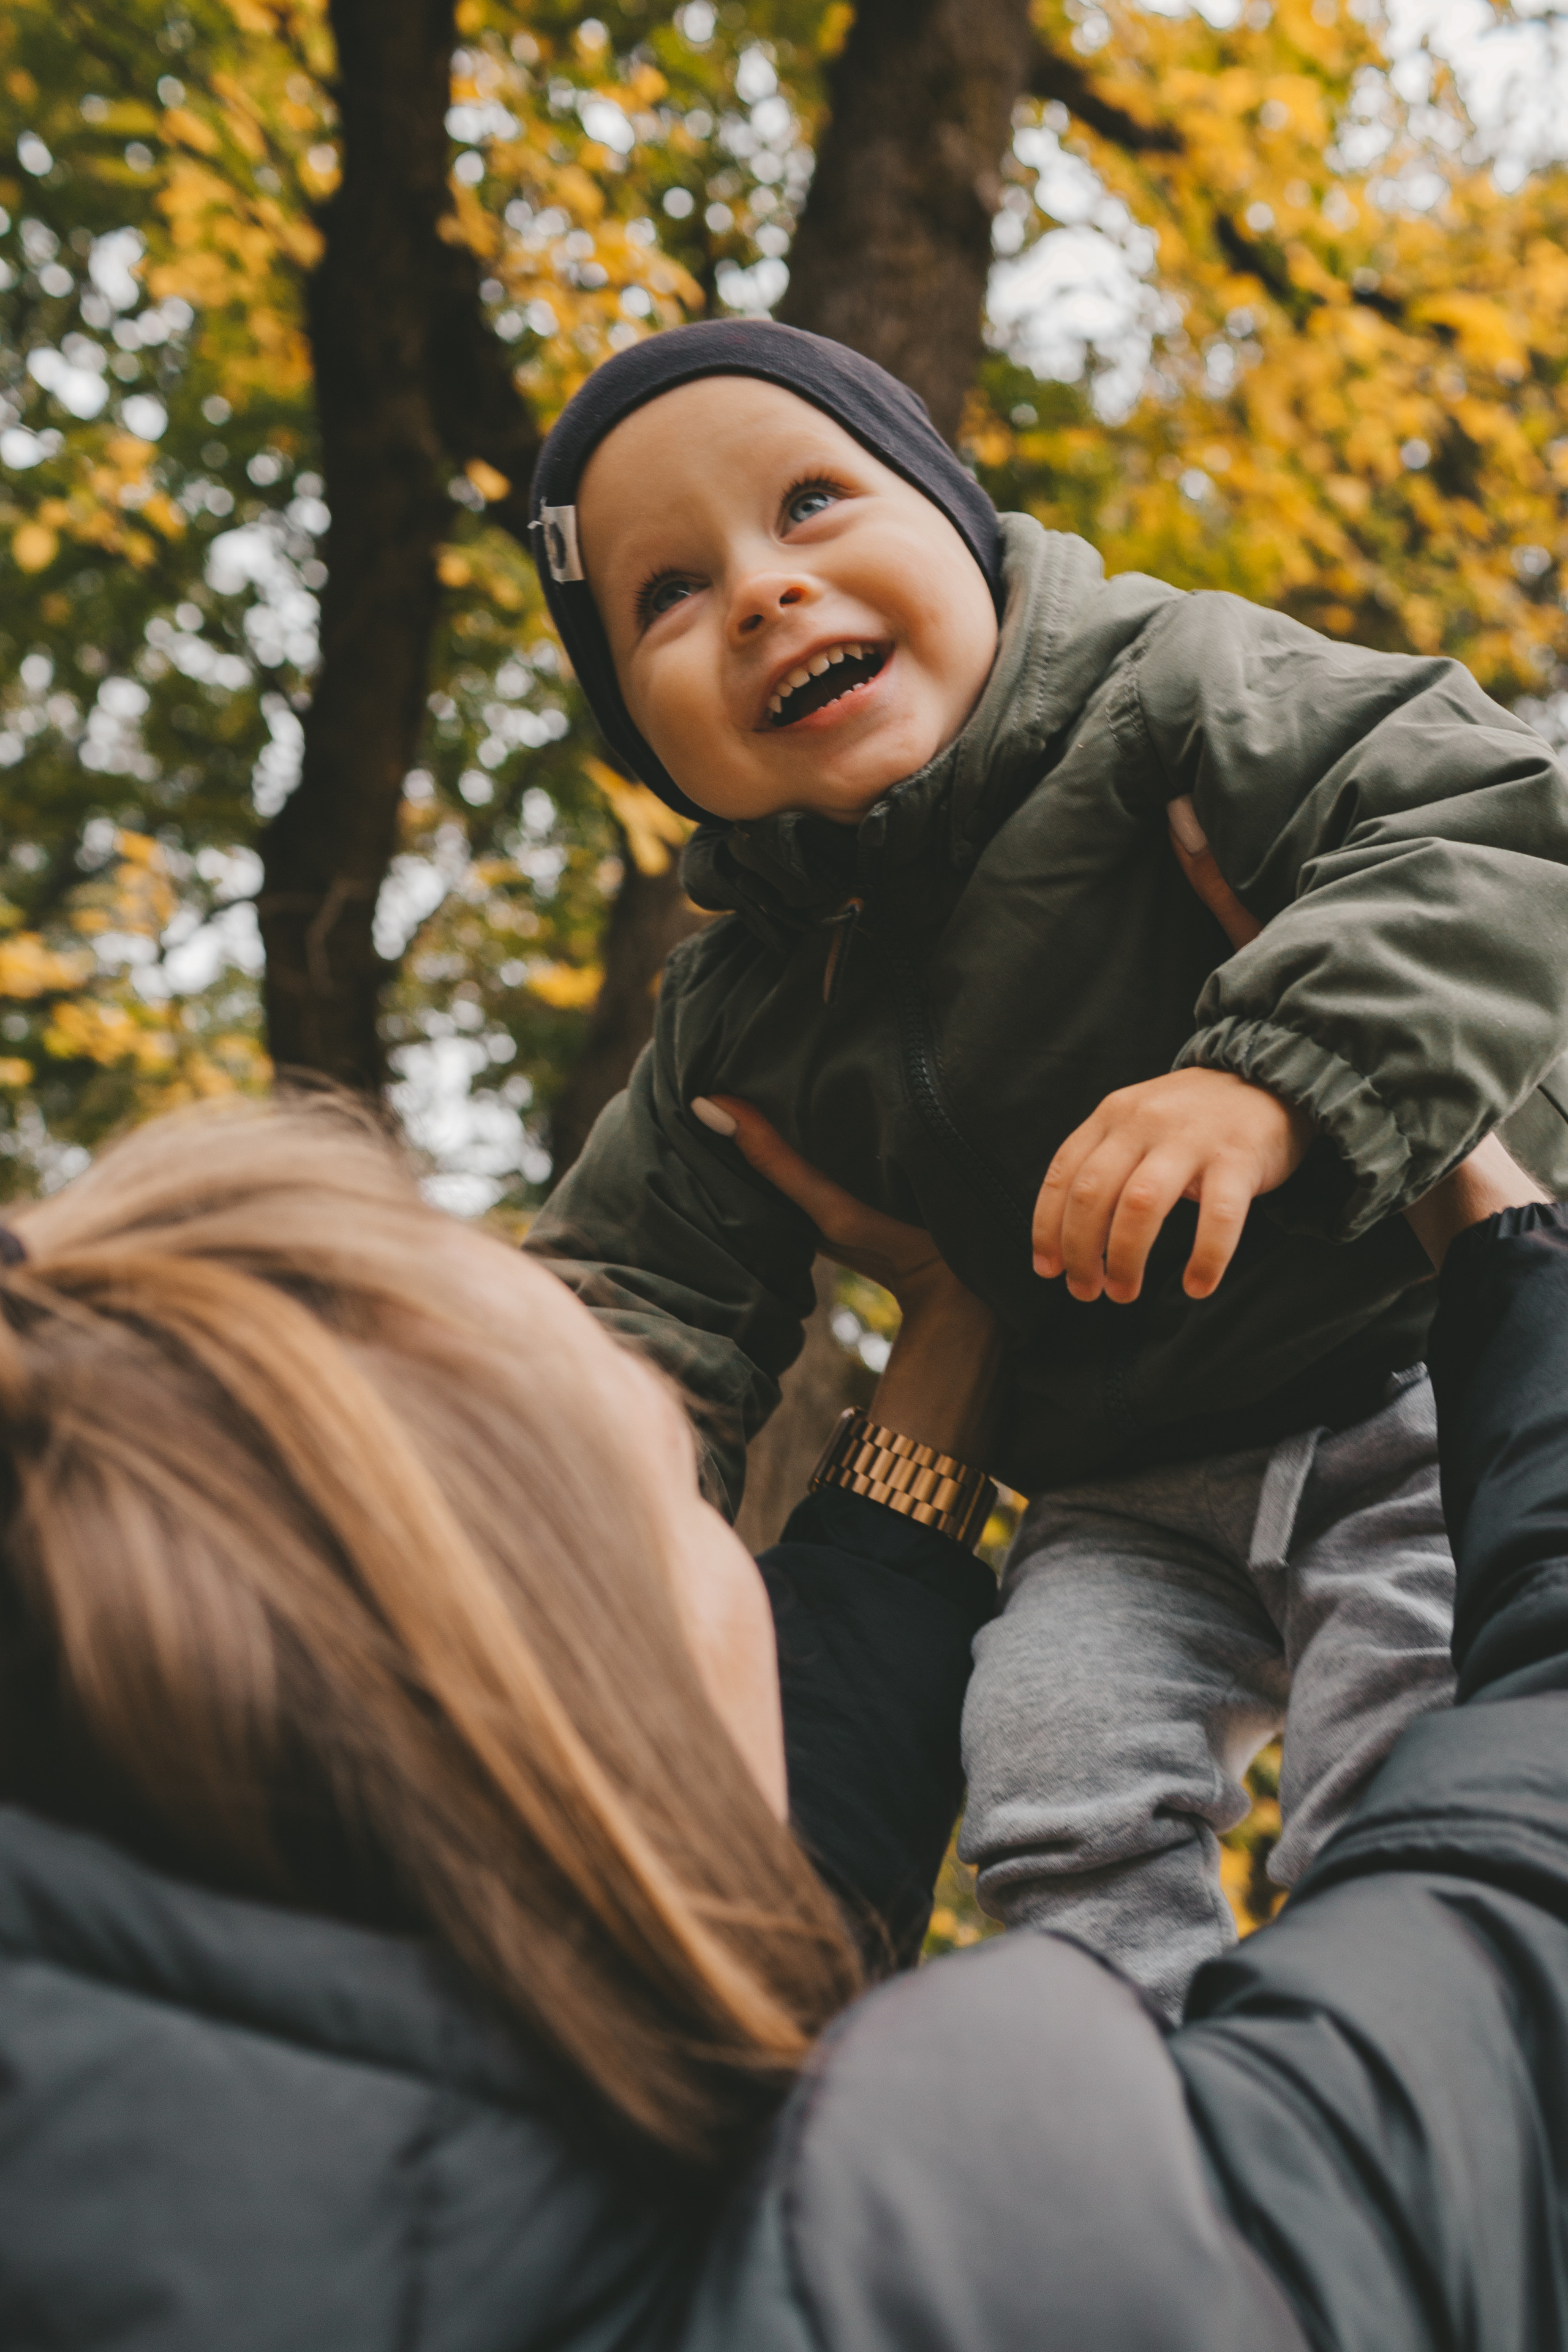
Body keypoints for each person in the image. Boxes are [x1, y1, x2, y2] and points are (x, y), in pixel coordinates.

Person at [2, 1093, 1568, 2352]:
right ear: (576, 1693)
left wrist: (953, 1316)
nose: (745, 1577)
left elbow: (788, 1843)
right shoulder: (973, 2245)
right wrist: (1493, 1222)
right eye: (679, 1494)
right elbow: (1517, 1920)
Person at [521, 316, 1568, 2012]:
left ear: (958, 520)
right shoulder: (743, 1010)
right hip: (1119, 1486)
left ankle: (1419, 2061)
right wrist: (561, 1488)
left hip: (1403, 1370)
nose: (764, 591)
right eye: (668, 594)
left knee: (1412, 1740)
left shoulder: (1169, 693)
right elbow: (627, 1295)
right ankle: (1139, 2107)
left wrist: (1267, 1082)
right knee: (1047, 1768)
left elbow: (1486, 820)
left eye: (809, 504)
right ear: (642, 739)